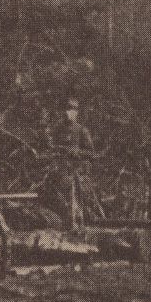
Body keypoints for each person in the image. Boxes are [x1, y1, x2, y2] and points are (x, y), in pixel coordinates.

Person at [44, 98, 98, 228]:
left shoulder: (81, 130)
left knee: (75, 199)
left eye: (72, 110)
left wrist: (76, 152)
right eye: (66, 109)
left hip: (76, 172)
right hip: (59, 170)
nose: (68, 113)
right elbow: (50, 147)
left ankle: (76, 223)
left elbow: (91, 153)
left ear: (77, 112)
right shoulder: (58, 129)